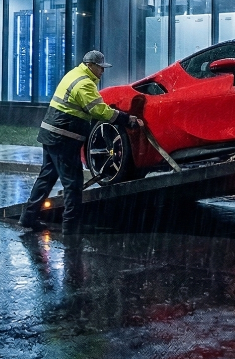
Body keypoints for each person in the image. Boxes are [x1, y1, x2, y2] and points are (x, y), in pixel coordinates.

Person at [18, 50, 142, 233]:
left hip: (51, 135)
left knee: (46, 178)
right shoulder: (84, 84)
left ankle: (28, 217)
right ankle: (70, 225)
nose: (103, 71)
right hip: (63, 138)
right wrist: (126, 119)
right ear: (90, 65)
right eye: (100, 67)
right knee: (73, 183)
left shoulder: (74, 75)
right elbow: (99, 111)